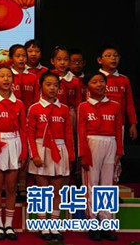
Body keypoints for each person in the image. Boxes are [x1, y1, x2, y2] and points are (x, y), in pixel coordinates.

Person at [27, 72, 74, 241]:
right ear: (41, 86)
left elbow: (68, 133)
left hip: (60, 150)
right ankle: (43, 225)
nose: (52, 88)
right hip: (41, 148)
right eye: (48, 84)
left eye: (55, 85)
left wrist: (71, 155)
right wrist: (34, 155)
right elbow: (30, 134)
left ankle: (54, 225)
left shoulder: (63, 109)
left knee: (57, 190)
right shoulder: (34, 108)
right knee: (42, 190)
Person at [77, 71, 122, 242]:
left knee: (107, 185)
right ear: (88, 86)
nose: (99, 85)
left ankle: (106, 222)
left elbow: (118, 130)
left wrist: (119, 151)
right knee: (92, 183)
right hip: (92, 143)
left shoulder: (115, 106)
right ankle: (92, 222)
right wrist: (83, 154)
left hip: (111, 143)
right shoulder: (83, 107)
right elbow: (81, 132)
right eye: (94, 82)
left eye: (102, 81)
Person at [0, 66, 26, 241]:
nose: (6, 79)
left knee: (11, 186)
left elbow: (23, 129)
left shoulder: (19, 104)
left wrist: (23, 153)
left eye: (9, 76)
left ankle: (8, 224)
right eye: (2, 76)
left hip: (14, 143)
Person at [97, 44, 137, 140]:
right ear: (99, 60)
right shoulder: (94, 78)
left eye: (116, 55)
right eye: (108, 55)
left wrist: (133, 124)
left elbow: (129, 104)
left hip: (119, 123)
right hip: (98, 124)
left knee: (117, 149)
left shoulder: (124, 80)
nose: (113, 58)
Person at [8, 44, 39, 111]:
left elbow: (36, 99)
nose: (21, 59)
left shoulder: (33, 77)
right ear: (11, 58)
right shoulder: (6, 76)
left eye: (24, 56)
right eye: (18, 56)